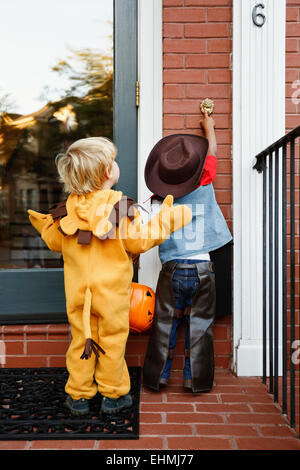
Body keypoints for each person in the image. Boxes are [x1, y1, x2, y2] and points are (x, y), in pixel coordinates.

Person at [27, 137, 192, 416]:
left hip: (79, 296)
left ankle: (78, 397)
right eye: (113, 160)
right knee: (112, 342)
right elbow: (139, 242)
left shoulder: (68, 209)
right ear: (107, 172)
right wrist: (168, 219)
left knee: (81, 341)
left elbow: (54, 241)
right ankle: (113, 396)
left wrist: (44, 224)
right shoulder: (120, 206)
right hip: (112, 296)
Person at [142, 112, 233, 393]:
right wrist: (209, 127)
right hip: (203, 269)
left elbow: (141, 227)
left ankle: (156, 378)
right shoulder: (204, 183)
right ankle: (197, 380)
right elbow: (213, 153)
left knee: (164, 325)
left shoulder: (157, 201)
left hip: (171, 271)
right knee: (200, 327)